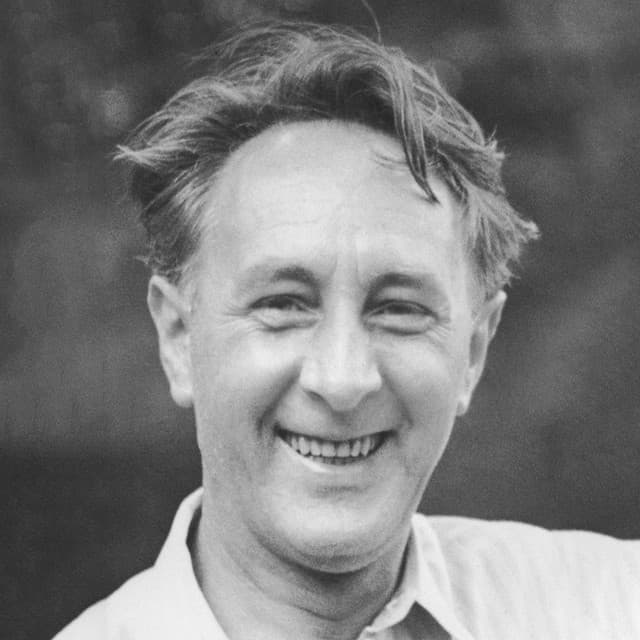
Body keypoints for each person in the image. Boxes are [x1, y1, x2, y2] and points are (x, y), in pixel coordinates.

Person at [54, 21, 640, 640]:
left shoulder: (609, 606)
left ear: (474, 350)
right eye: (283, 304)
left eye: (399, 309)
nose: (342, 380)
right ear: (178, 338)